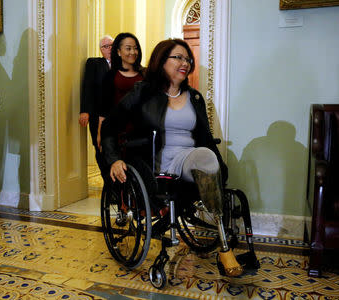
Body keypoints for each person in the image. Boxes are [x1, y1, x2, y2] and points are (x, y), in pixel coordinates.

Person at [101, 38, 243, 277]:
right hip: (155, 162)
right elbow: (110, 127)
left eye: (187, 59)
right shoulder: (142, 93)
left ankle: (224, 245)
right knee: (205, 160)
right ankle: (222, 239)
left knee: (207, 157)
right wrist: (114, 158)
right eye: (178, 57)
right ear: (161, 60)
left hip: (189, 158)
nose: (184, 63)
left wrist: (220, 166)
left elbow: (205, 139)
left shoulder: (194, 98)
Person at [98, 32, 144, 152]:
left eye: (135, 48)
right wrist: (101, 134)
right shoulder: (111, 76)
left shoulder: (145, 74)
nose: (133, 52)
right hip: (117, 132)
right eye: (128, 48)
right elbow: (104, 109)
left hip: (142, 133)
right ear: (118, 51)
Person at [79, 35, 113, 171]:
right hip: (96, 113)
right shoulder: (94, 63)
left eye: (112, 45)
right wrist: (84, 110)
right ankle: (106, 178)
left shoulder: (123, 64)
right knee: (99, 146)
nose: (110, 48)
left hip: (115, 114)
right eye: (106, 46)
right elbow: (87, 87)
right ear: (100, 50)